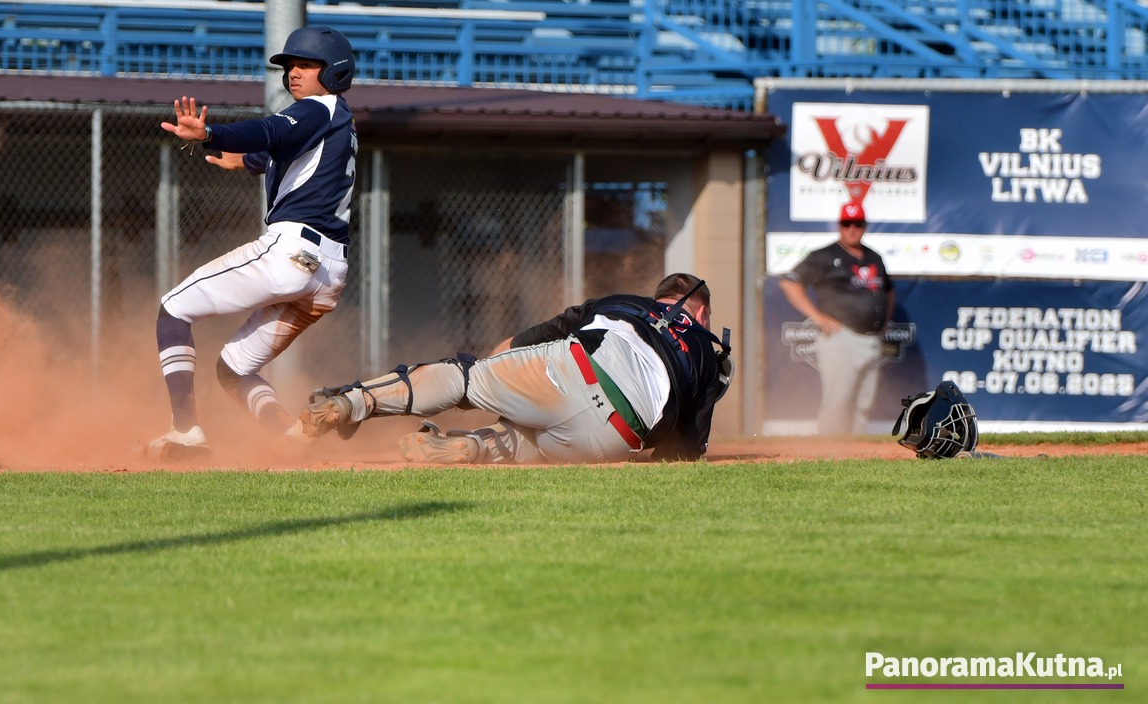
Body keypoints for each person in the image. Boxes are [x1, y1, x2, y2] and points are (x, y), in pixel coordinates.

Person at [148, 26, 358, 460]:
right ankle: (290, 440)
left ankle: (184, 432)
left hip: (290, 253)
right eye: (290, 65)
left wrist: (210, 134)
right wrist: (246, 160)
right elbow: (284, 152)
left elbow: (268, 131)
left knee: (173, 309)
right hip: (327, 273)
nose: (294, 72)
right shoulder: (339, 120)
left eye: (306, 64)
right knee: (233, 369)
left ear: (334, 71)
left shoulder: (316, 109)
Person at [290, 273, 734, 464]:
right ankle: (471, 448)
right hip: (617, 436)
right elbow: (684, 453)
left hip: (576, 369)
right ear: (701, 312)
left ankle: (350, 403)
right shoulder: (706, 352)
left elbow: (551, 329)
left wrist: (496, 362)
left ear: (658, 300)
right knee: (535, 445)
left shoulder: (626, 303)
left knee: (463, 377)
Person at [778, 201, 894, 437]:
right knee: (838, 402)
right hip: (841, 338)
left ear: (864, 226)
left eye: (857, 224)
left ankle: (855, 453)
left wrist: (884, 320)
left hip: (871, 340)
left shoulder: (874, 257)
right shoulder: (825, 255)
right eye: (846, 223)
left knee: (864, 404)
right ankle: (829, 450)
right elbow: (789, 282)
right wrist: (817, 316)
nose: (852, 229)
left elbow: (889, 291)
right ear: (839, 225)